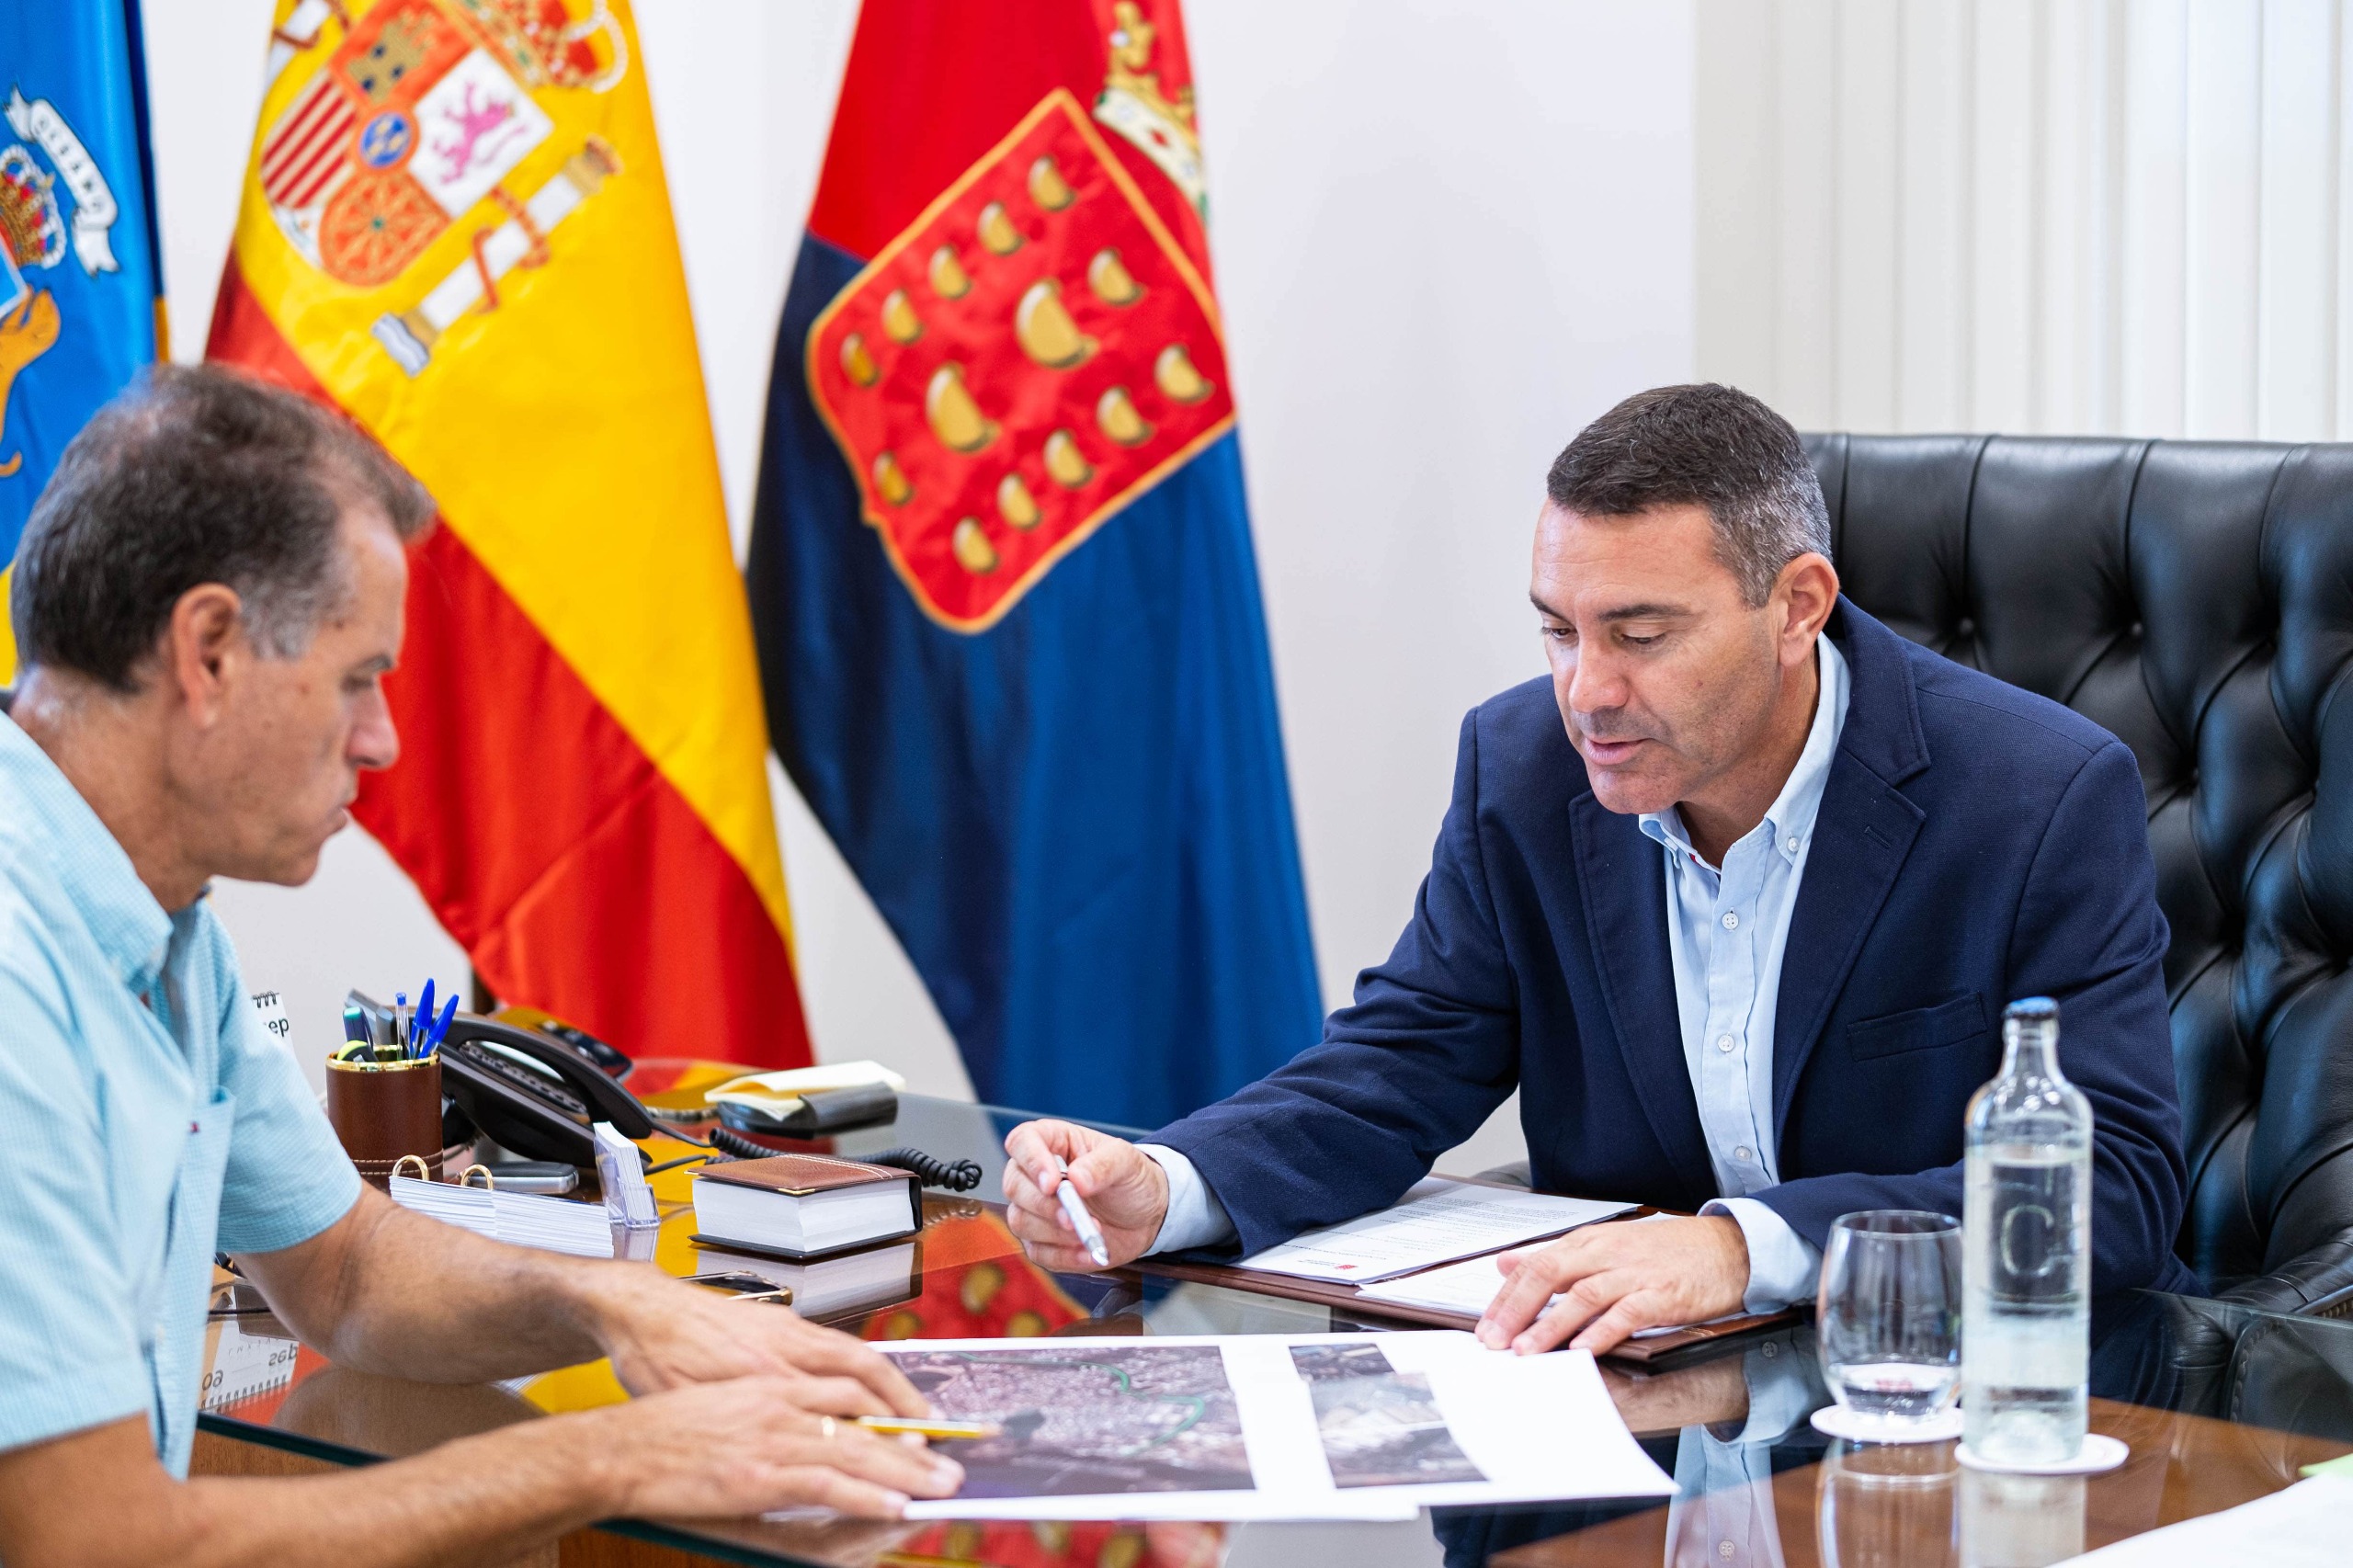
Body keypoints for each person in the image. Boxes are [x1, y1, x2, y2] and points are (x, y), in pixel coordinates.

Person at [1003, 383, 2193, 1358]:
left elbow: (2118, 1186)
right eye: (1559, 630)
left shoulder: (2037, 795)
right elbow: (1403, 1056)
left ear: (1797, 608)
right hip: (1630, 1412)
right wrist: (1168, 1181)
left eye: (1640, 634)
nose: (1586, 693)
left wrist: (1740, 1247)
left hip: (1947, 1407)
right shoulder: (1522, 765)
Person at [0, 367, 961, 1566]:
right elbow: (94, 1544)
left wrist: (615, 1300)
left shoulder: (162, 920)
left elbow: (342, 1265)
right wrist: (612, 1454)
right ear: (208, 651)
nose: (382, 741)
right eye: (359, 680)